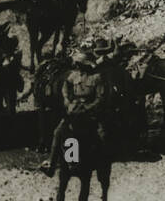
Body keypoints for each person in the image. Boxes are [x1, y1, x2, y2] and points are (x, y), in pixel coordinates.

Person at [42, 40, 112, 176]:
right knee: (59, 132)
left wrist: (88, 109)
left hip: (90, 112)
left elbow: (100, 98)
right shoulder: (73, 76)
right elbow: (65, 87)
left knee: (101, 135)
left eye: (81, 64)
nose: (79, 67)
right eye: (78, 64)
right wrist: (67, 100)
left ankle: (101, 163)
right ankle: (54, 162)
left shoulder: (97, 78)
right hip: (74, 110)